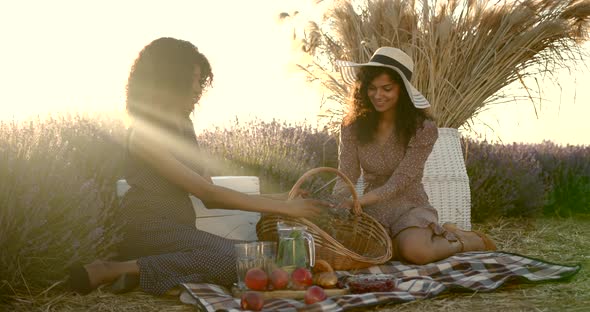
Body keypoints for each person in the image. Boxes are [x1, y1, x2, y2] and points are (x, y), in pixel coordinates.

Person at [68, 37, 328, 295]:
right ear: (167, 80)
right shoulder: (143, 134)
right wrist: (286, 208)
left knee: (260, 259)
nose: (197, 89)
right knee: (242, 263)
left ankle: (144, 273)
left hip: (182, 232)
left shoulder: (184, 125)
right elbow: (209, 195)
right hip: (147, 229)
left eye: (200, 80)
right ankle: (113, 269)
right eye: (191, 80)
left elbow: (211, 193)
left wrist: (283, 196)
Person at [333, 47, 496, 265]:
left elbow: (401, 181)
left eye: (386, 89)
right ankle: (405, 242)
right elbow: (347, 173)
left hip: (409, 205)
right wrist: (336, 204)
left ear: (402, 91)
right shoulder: (352, 126)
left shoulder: (423, 128)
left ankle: (464, 239)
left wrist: (359, 200)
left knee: (415, 252)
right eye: (371, 88)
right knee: (366, 253)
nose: (377, 95)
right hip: (371, 211)